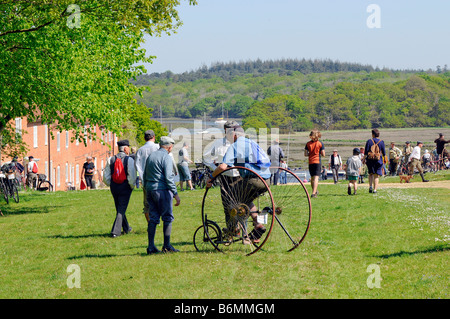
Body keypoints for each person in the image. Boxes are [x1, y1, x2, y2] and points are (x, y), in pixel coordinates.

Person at [206, 125, 272, 243]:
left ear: (234, 135)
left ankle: (233, 230)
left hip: (253, 180)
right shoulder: (251, 143)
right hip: (266, 180)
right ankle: (258, 224)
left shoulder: (235, 146)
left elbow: (222, 166)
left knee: (230, 199)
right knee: (246, 200)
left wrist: (211, 177)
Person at [144, 136, 181, 254]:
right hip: (162, 190)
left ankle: (151, 247)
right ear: (170, 147)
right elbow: (169, 178)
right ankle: (167, 246)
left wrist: (147, 188)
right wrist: (175, 193)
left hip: (150, 189)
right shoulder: (166, 157)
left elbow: (145, 174)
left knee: (153, 218)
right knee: (167, 217)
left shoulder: (151, 156)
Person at [103, 139, 137, 238]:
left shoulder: (111, 159)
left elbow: (106, 176)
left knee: (119, 207)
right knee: (121, 209)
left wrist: (110, 184)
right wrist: (131, 186)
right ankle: (115, 232)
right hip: (125, 186)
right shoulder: (129, 160)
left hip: (114, 186)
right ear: (126, 148)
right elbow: (131, 175)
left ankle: (126, 228)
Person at [134, 130, 160, 222]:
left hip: (146, 180)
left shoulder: (140, 150)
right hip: (158, 179)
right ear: (154, 136)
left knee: (147, 204)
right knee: (159, 201)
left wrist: (141, 178)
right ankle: (157, 220)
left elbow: (137, 166)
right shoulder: (158, 147)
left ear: (144, 138)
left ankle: (150, 223)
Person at [304, 130, 325, 198]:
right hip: (317, 161)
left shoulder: (308, 144)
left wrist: (310, 153)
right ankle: (313, 193)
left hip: (310, 162)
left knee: (312, 178)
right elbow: (323, 154)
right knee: (316, 178)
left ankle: (314, 191)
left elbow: (305, 154)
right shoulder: (320, 143)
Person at [364, 129, 386, 194]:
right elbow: (384, 152)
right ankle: (375, 189)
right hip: (378, 160)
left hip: (370, 160)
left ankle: (370, 186)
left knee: (370, 174)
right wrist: (384, 160)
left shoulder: (369, 141)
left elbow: (366, 151)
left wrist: (363, 159)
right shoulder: (381, 142)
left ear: (373, 134)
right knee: (376, 175)